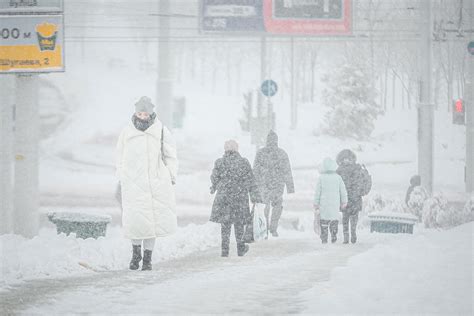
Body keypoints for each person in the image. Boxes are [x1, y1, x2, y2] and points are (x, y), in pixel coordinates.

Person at [116, 96, 178, 271]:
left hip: (156, 183)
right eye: (139, 112)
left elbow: (171, 156)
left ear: (151, 113)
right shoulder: (126, 132)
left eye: (145, 113)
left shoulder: (161, 131)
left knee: (152, 224)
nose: (142, 116)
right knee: (136, 222)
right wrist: (122, 175)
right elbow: (119, 156)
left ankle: (148, 260)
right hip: (133, 183)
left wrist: (170, 175)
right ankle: (135, 256)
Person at [210, 140, 261, 257]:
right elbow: (251, 180)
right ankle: (241, 248)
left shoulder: (219, 162)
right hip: (239, 198)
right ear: (237, 149)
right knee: (239, 224)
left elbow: (214, 178)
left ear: (225, 149)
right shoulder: (243, 162)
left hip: (224, 199)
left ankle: (225, 250)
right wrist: (254, 196)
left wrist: (214, 187)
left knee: (225, 225)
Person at [253, 130, 295, 237]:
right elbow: (287, 171)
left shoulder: (261, 153)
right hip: (277, 185)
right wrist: (290, 187)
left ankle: (265, 228)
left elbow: (255, 170)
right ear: (277, 141)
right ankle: (273, 228)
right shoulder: (282, 153)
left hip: (264, 185)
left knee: (264, 207)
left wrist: (254, 186)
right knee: (277, 207)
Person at [314, 157, 348, 244]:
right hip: (334, 203)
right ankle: (334, 235)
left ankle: (324, 238)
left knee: (324, 221)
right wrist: (344, 201)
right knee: (333, 219)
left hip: (324, 203)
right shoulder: (338, 178)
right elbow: (342, 191)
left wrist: (316, 203)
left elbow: (317, 192)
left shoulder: (321, 178)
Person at [336, 149, 367, 244]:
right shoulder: (357, 168)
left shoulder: (339, 170)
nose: (346, 160)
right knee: (351, 218)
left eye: (347, 159)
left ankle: (348, 235)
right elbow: (362, 182)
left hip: (346, 199)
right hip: (354, 198)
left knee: (346, 218)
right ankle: (352, 234)